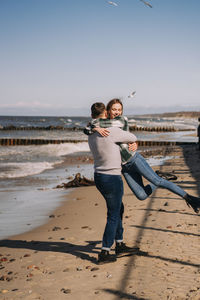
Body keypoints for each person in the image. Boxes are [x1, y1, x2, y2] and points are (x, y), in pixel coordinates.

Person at [85, 99, 200, 214]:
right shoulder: (103, 125)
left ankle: (189, 198)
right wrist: (94, 128)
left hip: (134, 159)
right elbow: (88, 127)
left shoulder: (121, 120)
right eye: (114, 109)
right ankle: (162, 177)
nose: (117, 112)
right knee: (141, 195)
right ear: (108, 111)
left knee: (158, 181)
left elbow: (92, 125)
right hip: (124, 167)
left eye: (119, 110)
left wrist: (93, 127)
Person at [88, 102, 139, 264]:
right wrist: (133, 143)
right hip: (112, 177)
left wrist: (93, 126)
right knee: (113, 214)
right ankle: (105, 251)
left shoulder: (91, 133)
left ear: (92, 116)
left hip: (99, 176)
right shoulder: (112, 131)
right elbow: (132, 137)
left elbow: (89, 127)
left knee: (119, 208)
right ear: (106, 115)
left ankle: (120, 243)